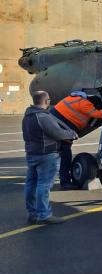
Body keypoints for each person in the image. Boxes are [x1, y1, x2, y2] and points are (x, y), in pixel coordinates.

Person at [22, 91, 78, 224]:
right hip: (46, 155)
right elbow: (57, 133)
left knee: (31, 184)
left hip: (32, 154)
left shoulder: (27, 116)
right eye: (49, 99)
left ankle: (32, 213)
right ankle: (44, 215)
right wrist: (71, 134)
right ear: (46, 101)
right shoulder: (43, 117)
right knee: (44, 186)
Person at [50, 91, 102, 190]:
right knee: (65, 155)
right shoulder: (85, 103)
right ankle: (65, 182)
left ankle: (40, 177)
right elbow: (97, 114)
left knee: (48, 154)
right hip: (62, 128)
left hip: (51, 124)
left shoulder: (73, 98)